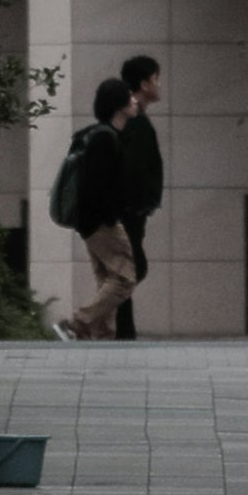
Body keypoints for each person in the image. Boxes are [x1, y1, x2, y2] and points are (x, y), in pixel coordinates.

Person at [48, 77, 141, 338]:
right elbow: (97, 187)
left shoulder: (95, 135)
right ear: (118, 104)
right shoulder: (104, 139)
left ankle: (100, 336)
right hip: (102, 222)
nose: (135, 101)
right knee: (124, 279)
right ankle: (77, 322)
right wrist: (112, 218)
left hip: (90, 223)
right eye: (129, 97)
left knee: (107, 280)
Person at [106, 53, 164, 335]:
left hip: (132, 208)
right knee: (132, 269)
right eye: (156, 79)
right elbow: (135, 166)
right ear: (143, 84)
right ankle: (90, 318)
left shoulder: (133, 117)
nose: (159, 85)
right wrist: (139, 202)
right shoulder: (135, 120)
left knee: (127, 269)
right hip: (130, 208)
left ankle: (123, 330)